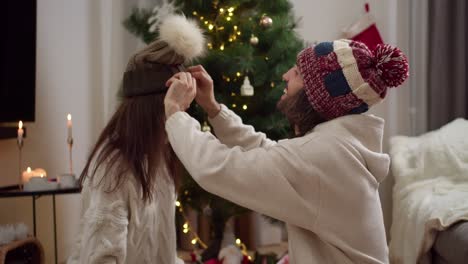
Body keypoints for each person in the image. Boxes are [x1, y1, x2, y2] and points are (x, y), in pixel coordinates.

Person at [163, 39, 409, 263]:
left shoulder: (321, 154)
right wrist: (214, 109)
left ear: (318, 96)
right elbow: (269, 152)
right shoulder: (338, 145)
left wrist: (175, 113)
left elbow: (220, 169)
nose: (285, 75)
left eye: (298, 73)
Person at [67, 14, 204, 264]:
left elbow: (161, 250)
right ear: (153, 108)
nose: (181, 114)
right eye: (177, 106)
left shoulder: (161, 158)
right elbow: (102, 258)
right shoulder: (114, 169)